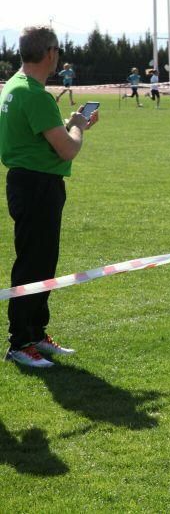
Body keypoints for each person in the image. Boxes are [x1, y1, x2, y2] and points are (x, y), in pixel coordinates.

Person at [0, 26, 99, 368]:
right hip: (37, 186)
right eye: (57, 50)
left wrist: (69, 122)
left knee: (42, 261)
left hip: (29, 182)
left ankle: (36, 333)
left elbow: (44, 136)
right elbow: (67, 148)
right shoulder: (35, 94)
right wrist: (80, 126)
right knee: (32, 262)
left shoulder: (16, 85)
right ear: (50, 53)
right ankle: (20, 341)